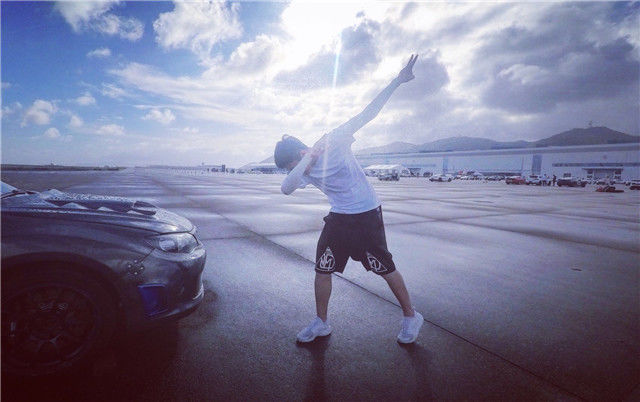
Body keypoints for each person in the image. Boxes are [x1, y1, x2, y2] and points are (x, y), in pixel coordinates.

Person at [274, 54, 423, 344]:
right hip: (339, 217)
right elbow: (286, 188)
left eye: (292, 165)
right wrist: (306, 161)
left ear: (299, 153)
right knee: (323, 268)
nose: (296, 172)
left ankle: (410, 315)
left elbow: (368, 113)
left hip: (366, 213)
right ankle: (321, 322)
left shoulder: (335, 139)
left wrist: (397, 81)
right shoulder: (303, 169)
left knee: (384, 267)